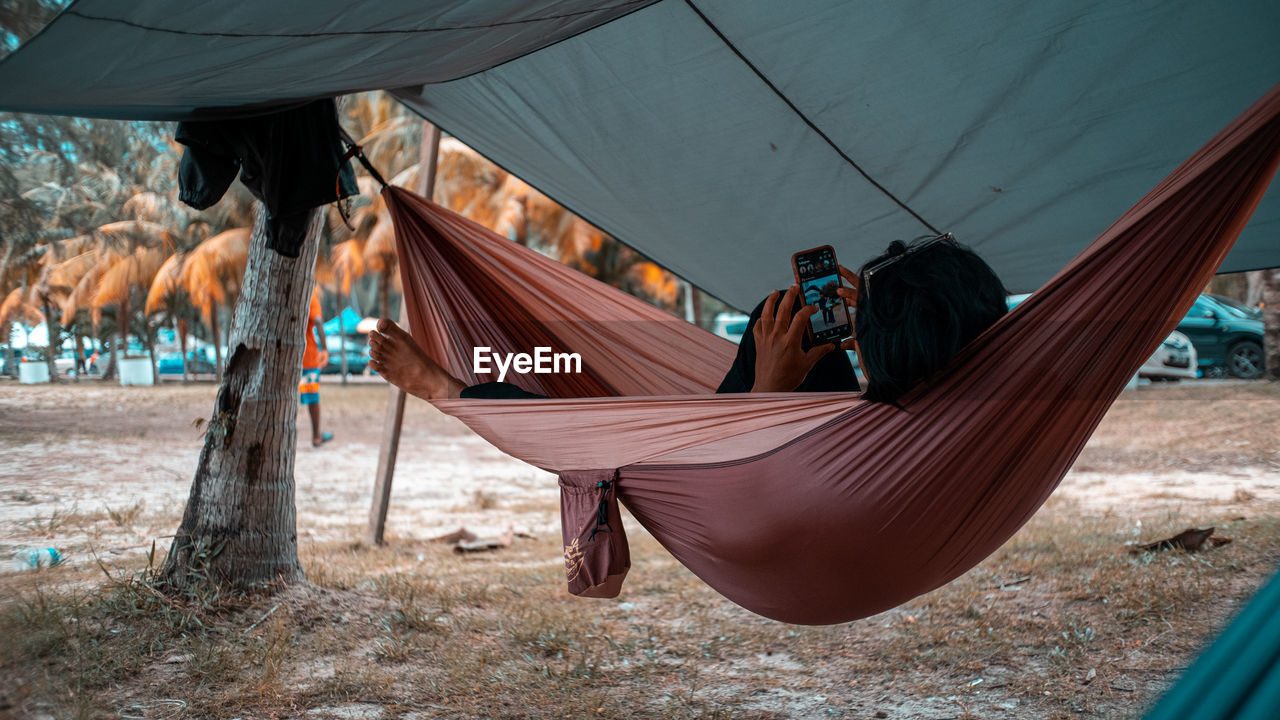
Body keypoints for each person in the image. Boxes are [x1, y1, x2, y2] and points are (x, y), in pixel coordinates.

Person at [367, 234, 1006, 405]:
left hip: (719, 460)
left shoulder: (878, 445)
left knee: (575, 413)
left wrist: (769, 390)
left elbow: (748, 486)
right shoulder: (970, 378)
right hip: (889, 384)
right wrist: (875, 332)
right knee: (784, 319)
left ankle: (449, 389)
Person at [300, 288, 334, 447]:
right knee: (312, 398)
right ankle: (316, 436)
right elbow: (319, 322)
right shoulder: (309, 298)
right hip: (308, 359)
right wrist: (325, 349)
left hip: (289, 359)